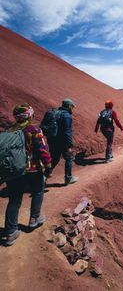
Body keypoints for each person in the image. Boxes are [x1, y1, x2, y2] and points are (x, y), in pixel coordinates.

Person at [4, 104, 52, 246]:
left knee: (14, 200)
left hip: (14, 170)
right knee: (38, 191)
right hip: (32, 169)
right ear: (29, 115)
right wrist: (48, 165)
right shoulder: (34, 129)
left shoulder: (9, 131)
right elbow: (42, 149)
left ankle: (11, 231)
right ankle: (34, 219)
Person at [47, 99, 78, 185]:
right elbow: (67, 132)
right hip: (63, 141)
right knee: (69, 158)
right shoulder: (66, 116)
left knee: (54, 158)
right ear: (68, 106)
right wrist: (69, 145)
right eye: (72, 107)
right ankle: (68, 178)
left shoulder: (55, 113)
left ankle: (44, 175)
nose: (72, 109)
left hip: (52, 140)